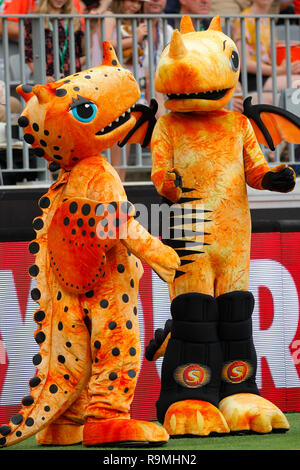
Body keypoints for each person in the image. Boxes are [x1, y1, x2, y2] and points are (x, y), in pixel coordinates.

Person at [102, 0, 149, 181]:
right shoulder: (110, 16)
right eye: (132, 1)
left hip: (129, 83)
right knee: (116, 131)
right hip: (111, 82)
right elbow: (106, 43)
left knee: (125, 132)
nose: (135, 6)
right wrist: (134, 39)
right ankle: (114, 181)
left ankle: (120, 180)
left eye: (139, 3)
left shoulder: (134, 22)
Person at [232, 0, 300, 104]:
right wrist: (278, 70)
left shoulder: (268, 19)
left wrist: (290, 67)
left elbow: (273, 57)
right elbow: (244, 62)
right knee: (297, 83)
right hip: (251, 78)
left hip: (269, 75)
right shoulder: (244, 19)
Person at [24, 0, 85, 83]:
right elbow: (28, 52)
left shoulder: (73, 17)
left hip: (72, 77)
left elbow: (82, 50)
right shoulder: (34, 19)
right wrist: (42, 76)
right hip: (48, 77)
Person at [142, 0, 174, 117]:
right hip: (136, 81)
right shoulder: (130, 25)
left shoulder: (168, 29)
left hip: (161, 83)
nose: (156, 0)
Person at [0, 0, 83, 41]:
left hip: (67, 60)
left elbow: (81, 29)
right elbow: (3, 26)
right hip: (28, 56)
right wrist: (46, 32)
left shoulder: (73, 3)